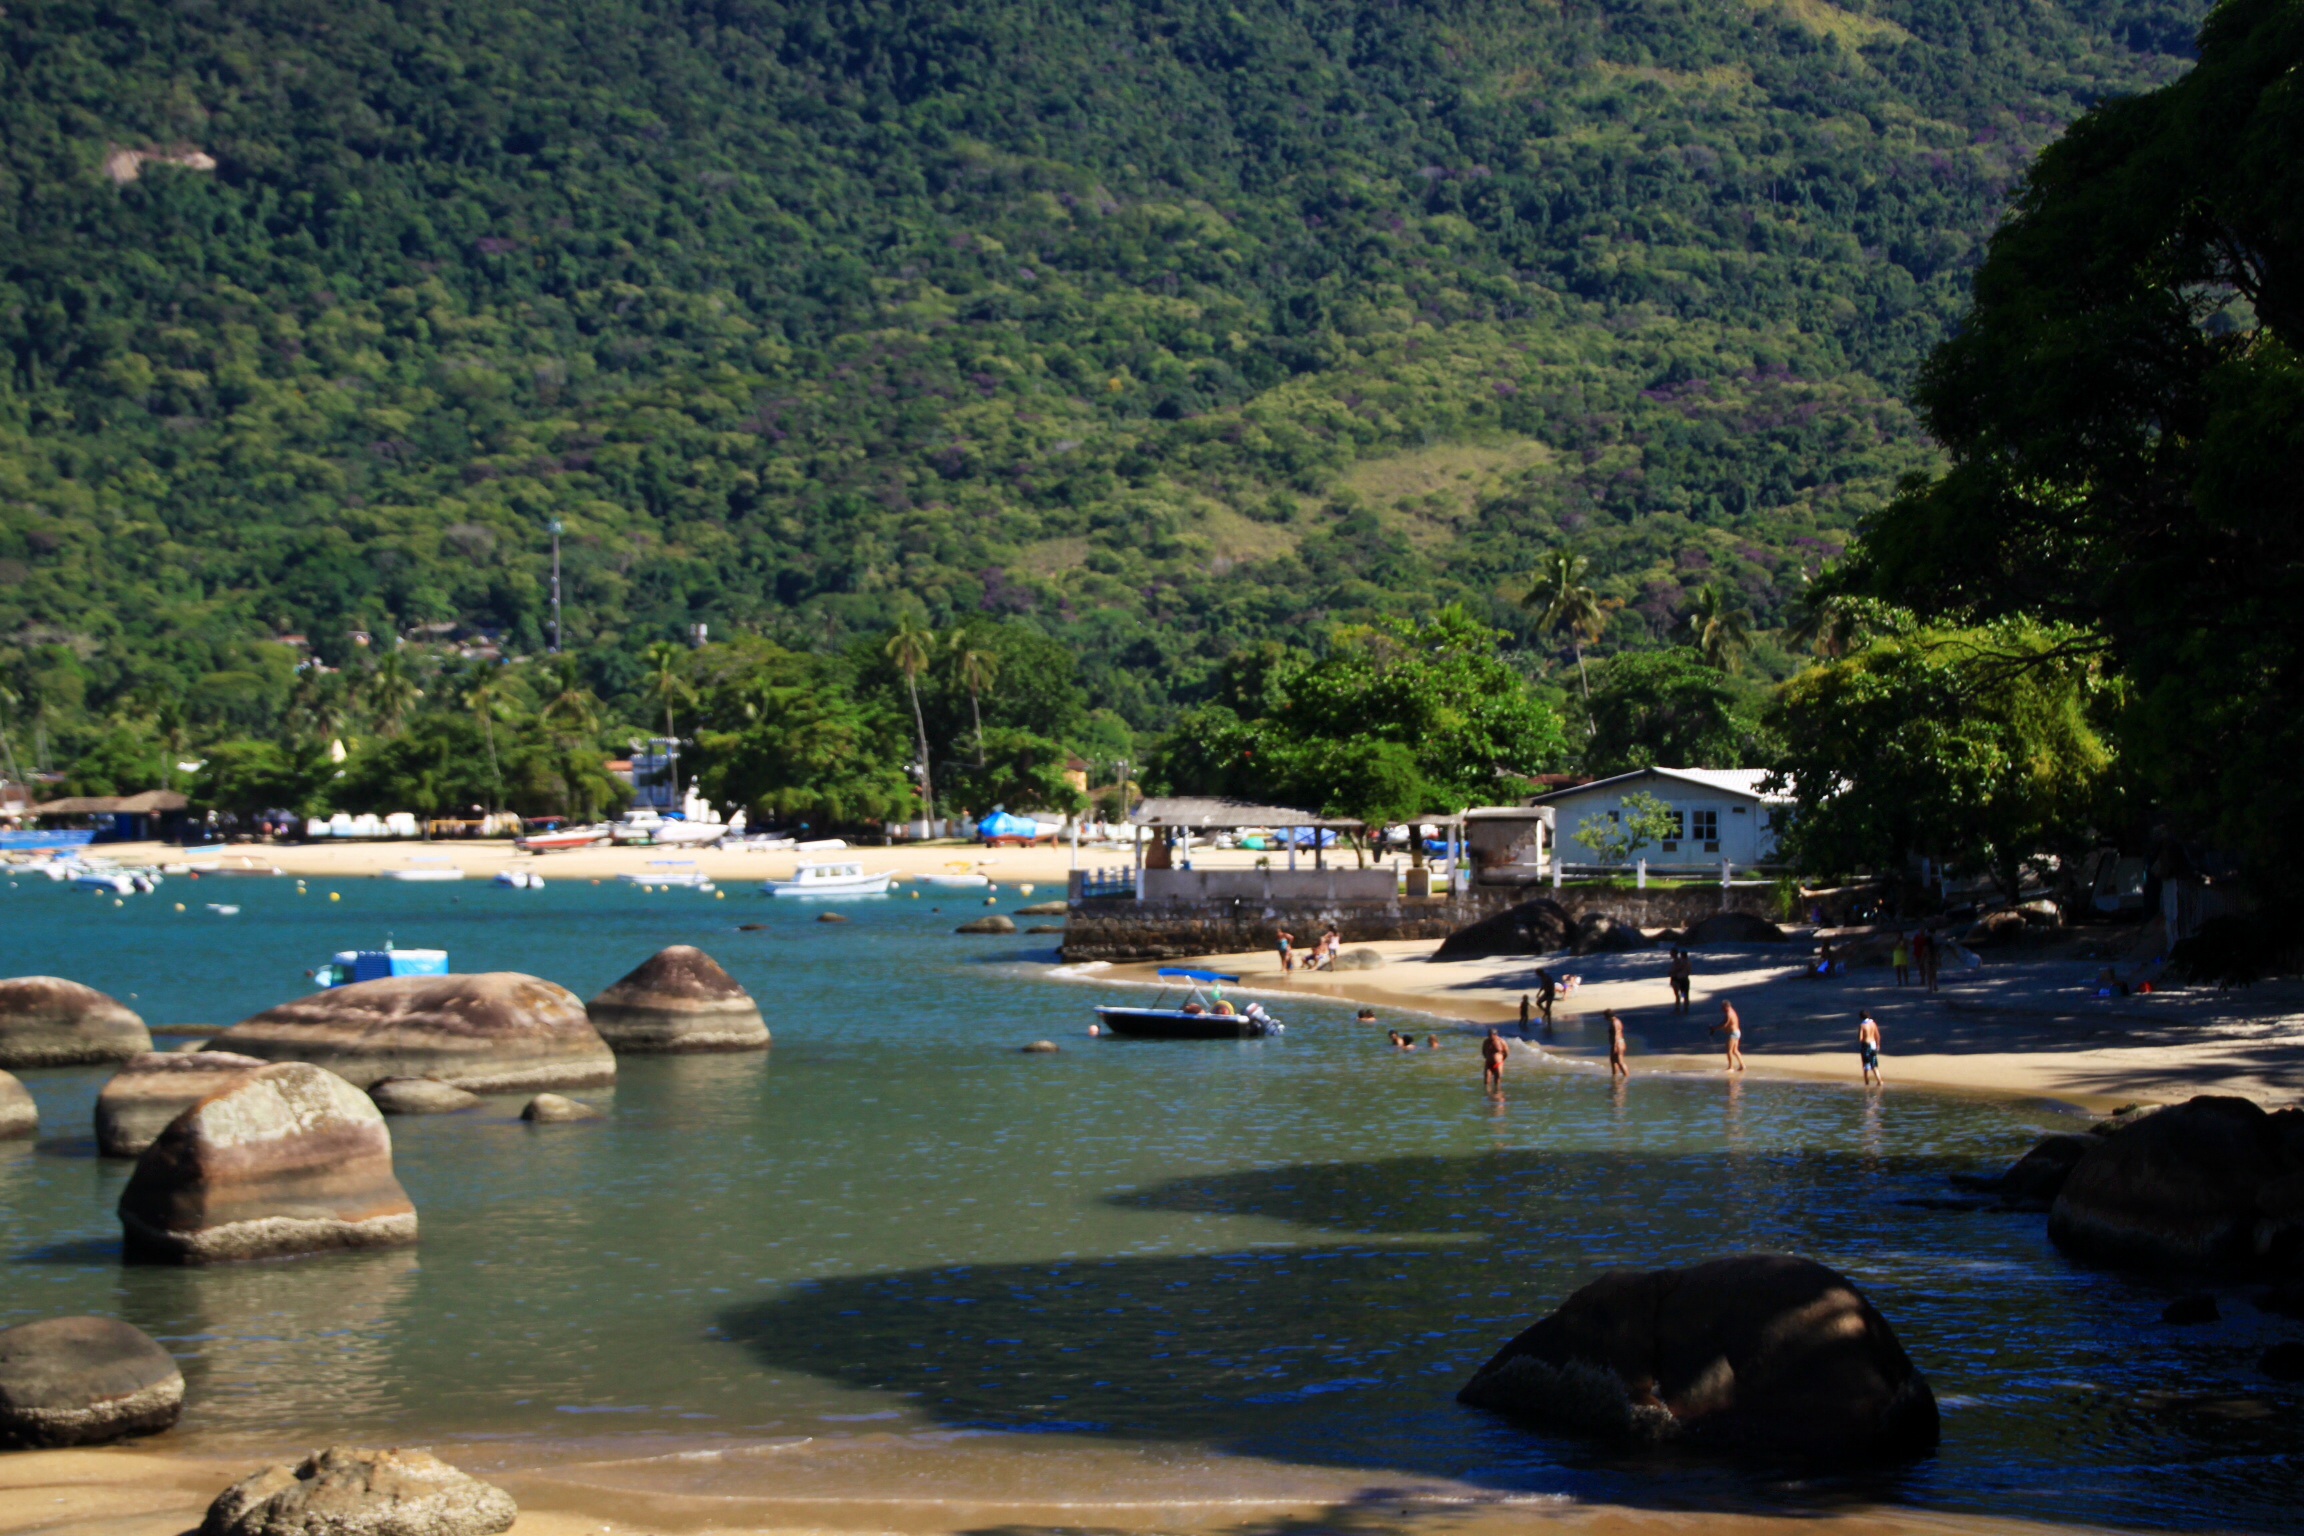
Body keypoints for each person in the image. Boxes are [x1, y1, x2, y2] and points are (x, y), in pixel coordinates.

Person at [1710, 999, 1745, 1073]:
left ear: (1726, 1007)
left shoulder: (1729, 1013)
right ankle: (1742, 1066)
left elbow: (1725, 1024)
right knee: (1735, 1050)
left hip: (1733, 1034)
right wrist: (1715, 1027)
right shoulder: (1731, 1012)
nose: (1721, 1009)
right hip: (1737, 1032)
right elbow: (1724, 1022)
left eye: (1722, 1007)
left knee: (1729, 1050)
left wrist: (1715, 1028)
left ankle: (1731, 1067)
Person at [1858, 1009, 1883, 1086]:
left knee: (1866, 1065)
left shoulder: (1862, 1025)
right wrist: (1878, 1045)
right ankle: (1879, 1081)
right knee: (1874, 1064)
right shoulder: (1873, 1024)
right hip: (1873, 1044)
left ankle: (1867, 1082)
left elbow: (1860, 1038)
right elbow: (1878, 1036)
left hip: (1866, 1045)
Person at [1605, 1008, 1628, 1080]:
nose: (1604, 1018)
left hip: (1618, 1043)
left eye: (1605, 1016)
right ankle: (1615, 1077)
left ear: (1608, 1016)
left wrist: (1615, 1046)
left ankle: (1627, 1077)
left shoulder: (1615, 1022)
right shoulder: (1616, 1021)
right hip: (1618, 1043)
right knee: (1613, 1061)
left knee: (1620, 1062)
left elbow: (1616, 1034)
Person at [1668, 948, 1692, 1014]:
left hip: (1679, 979)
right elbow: (1689, 971)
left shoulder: (1680, 962)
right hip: (1683, 979)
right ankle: (1684, 1008)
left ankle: (1680, 1008)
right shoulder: (1687, 961)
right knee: (1683, 994)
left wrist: (1672, 973)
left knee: (1680, 994)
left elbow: (1677, 969)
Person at [1534, 967, 1557, 1031]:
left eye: (1537, 974)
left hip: (1550, 994)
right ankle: (1545, 1012)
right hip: (1546, 993)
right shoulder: (1542, 977)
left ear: (1540, 973)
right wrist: (1539, 993)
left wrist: (1550, 992)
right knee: (1538, 1003)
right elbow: (1543, 986)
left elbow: (1550, 985)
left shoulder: (1547, 977)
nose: (1537, 975)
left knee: (1548, 1008)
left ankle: (1549, 1023)